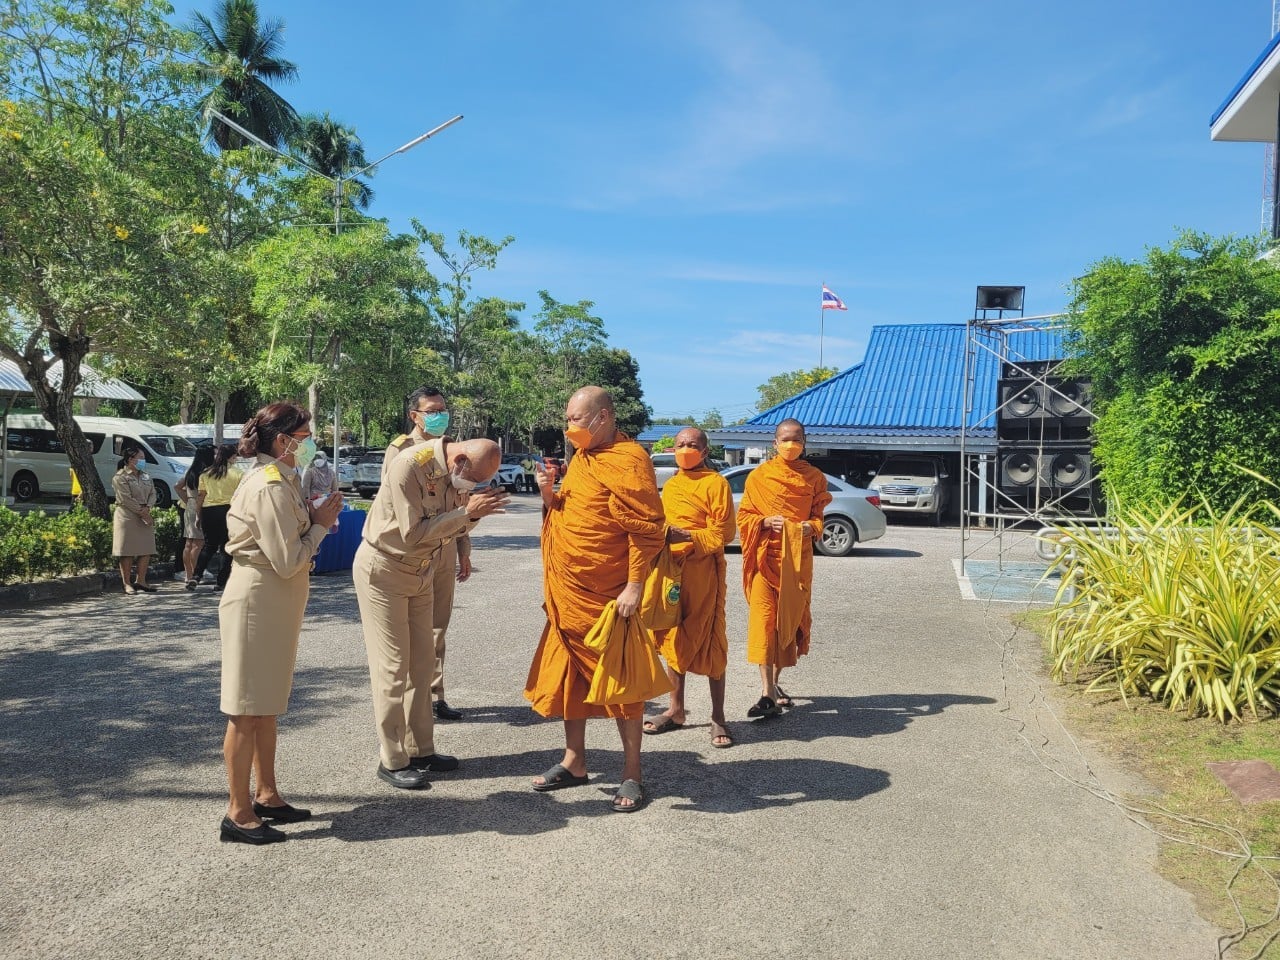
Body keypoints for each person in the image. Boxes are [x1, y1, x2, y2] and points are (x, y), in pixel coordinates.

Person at [525, 386, 666, 812]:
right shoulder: (582, 459)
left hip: (609, 592)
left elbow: (646, 529)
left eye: (577, 420)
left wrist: (635, 586)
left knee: (622, 681)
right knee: (572, 678)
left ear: (604, 417)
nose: (570, 429)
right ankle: (575, 761)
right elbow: (569, 512)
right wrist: (549, 493)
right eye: (567, 420)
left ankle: (632, 772)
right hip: (570, 591)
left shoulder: (630, 460)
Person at [218, 403, 343, 845]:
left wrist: (315, 517)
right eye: (304, 435)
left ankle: (267, 795)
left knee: (266, 706)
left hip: (276, 600)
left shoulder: (286, 480)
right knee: (245, 710)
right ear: (281, 440)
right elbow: (288, 559)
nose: (310, 443)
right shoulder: (269, 486)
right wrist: (323, 526)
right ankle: (237, 812)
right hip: (259, 599)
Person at [353, 436, 507, 789]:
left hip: (421, 571)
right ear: (461, 461)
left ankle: (420, 748)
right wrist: (466, 512)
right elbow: (411, 534)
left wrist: (471, 517)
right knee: (393, 667)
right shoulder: (410, 465)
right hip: (385, 568)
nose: (471, 487)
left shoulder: (457, 474)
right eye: (474, 480)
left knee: (422, 663)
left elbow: (454, 526)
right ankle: (392, 759)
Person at [643, 427, 736, 748]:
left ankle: (718, 717)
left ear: (705, 451)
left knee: (711, 639)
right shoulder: (671, 486)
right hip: (672, 571)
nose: (685, 449)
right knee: (673, 637)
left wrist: (690, 538)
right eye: (681, 444)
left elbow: (723, 532)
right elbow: (660, 525)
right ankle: (676, 709)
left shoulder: (716, 483)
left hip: (703, 572)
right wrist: (664, 536)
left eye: (692, 445)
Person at [382, 386, 470, 721]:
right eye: (432, 410)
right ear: (414, 415)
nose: (439, 416)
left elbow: (457, 504)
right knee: (413, 631)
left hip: (445, 548)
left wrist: (464, 548)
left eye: (443, 409)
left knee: (438, 628)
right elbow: (394, 506)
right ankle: (414, 698)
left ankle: (435, 695)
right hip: (416, 548)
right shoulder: (401, 451)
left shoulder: (450, 450)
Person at [737, 418, 832, 718]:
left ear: (805, 442)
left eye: (797, 439)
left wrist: (810, 528)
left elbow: (819, 519)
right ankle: (766, 692)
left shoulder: (815, 478)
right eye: (785, 439)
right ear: (774, 443)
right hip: (765, 560)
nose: (791, 444)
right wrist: (763, 522)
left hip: (796, 562)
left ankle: (775, 684)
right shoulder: (759, 476)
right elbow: (745, 516)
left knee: (786, 624)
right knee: (764, 624)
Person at [192, 443, 244, 593]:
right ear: (232, 457)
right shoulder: (239, 474)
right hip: (229, 510)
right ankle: (220, 583)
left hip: (209, 510)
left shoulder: (206, 473)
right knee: (226, 547)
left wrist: (198, 515)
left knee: (209, 545)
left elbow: (201, 497)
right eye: (235, 456)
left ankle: (196, 575)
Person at [111, 446, 157, 595]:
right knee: (127, 551)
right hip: (127, 515)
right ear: (131, 459)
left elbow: (153, 493)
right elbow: (126, 498)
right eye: (141, 458)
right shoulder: (120, 477)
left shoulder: (146, 476)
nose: (143, 461)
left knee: (146, 549)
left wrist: (148, 507)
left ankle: (141, 581)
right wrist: (143, 513)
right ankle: (127, 583)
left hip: (145, 513)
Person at [177, 446, 215, 588]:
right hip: (201, 506)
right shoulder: (206, 473)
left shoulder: (191, 471)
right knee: (198, 544)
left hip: (190, 507)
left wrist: (188, 500)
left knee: (189, 542)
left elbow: (177, 486)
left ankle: (188, 574)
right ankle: (195, 574)